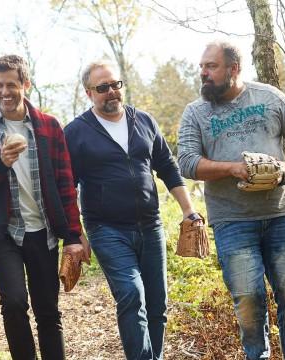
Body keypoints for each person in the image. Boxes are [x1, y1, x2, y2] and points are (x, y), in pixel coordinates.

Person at [177, 40, 285, 359]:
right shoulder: (196, 112)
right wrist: (232, 168)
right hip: (232, 222)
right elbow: (186, 161)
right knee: (249, 305)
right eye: (202, 67)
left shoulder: (269, 97)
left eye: (211, 66)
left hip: (281, 215)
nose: (203, 73)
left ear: (233, 69)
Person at [64, 61, 202, 360]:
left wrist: (189, 211)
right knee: (130, 294)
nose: (112, 92)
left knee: (157, 302)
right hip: (106, 228)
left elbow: (167, 167)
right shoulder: (76, 132)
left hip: (150, 225)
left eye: (116, 84)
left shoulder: (144, 121)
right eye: (103, 88)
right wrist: (75, 234)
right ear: (89, 93)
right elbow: (67, 187)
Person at [0, 55, 88, 360]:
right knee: (15, 303)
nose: (4, 92)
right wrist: (0, 163)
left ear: (25, 85)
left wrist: (73, 235)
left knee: (48, 310)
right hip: (2, 231)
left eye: (11, 84)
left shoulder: (48, 126)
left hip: (42, 230)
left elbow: (65, 183)